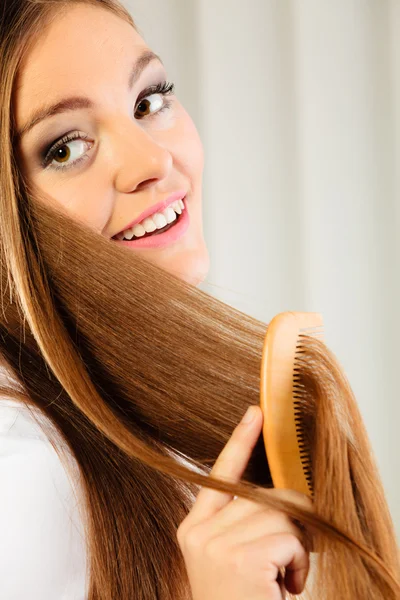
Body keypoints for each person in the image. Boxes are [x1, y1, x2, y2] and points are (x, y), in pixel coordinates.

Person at [0, 1, 398, 599]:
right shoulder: (26, 477)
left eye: (148, 100)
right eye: (64, 148)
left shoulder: (147, 406)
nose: (153, 161)